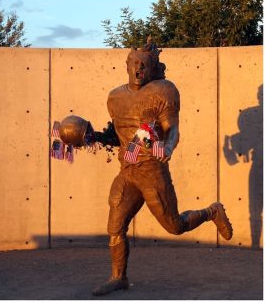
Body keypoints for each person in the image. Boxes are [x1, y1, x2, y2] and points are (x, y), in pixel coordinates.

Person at [92, 38, 233, 296]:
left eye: (143, 65)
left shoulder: (163, 90)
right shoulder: (115, 97)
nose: (138, 69)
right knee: (115, 223)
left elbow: (172, 128)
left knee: (174, 226)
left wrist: (167, 148)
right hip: (128, 171)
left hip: (152, 171)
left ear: (152, 67)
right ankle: (118, 277)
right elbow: (118, 135)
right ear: (126, 65)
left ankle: (212, 212)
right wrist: (91, 138)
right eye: (134, 63)